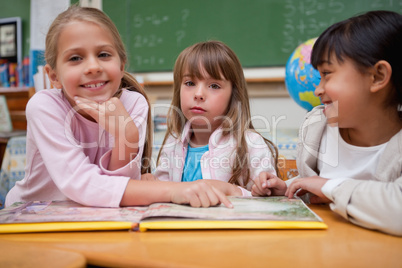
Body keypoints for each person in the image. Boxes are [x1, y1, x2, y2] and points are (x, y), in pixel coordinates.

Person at [5, 5, 231, 209]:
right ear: (53, 75)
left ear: (121, 66)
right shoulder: (44, 106)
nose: (93, 66)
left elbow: (116, 189)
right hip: (30, 214)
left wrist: (126, 136)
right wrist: (174, 190)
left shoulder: (134, 104)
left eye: (103, 55)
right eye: (75, 58)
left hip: (91, 215)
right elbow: (83, 184)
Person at [252, 10, 402, 236]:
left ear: (378, 76)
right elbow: (319, 194)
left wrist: (329, 187)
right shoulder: (317, 130)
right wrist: (289, 189)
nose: (317, 89)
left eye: (327, 74)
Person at [151, 40, 278, 196]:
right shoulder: (173, 142)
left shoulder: (251, 145)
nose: (198, 94)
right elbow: (162, 192)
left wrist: (236, 191)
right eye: (190, 83)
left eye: (214, 86)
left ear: (234, 95)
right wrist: (151, 184)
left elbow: (269, 200)